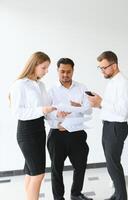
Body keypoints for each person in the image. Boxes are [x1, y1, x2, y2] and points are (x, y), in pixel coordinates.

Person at [9, 51, 56, 200]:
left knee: (31, 172)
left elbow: (46, 108)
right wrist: (42, 110)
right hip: (26, 132)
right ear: (34, 65)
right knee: (38, 174)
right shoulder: (20, 84)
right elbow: (17, 112)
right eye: (44, 67)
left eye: (47, 68)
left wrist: (57, 114)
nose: (46, 71)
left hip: (39, 130)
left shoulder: (40, 85)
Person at [87, 51, 128, 200]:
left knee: (113, 165)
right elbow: (112, 108)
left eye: (104, 67)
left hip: (116, 128)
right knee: (111, 164)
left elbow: (122, 111)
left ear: (114, 65)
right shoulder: (113, 82)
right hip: (108, 126)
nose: (102, 71)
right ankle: (117, 194)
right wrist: (98, 105)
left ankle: (121, 197)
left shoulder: (124, 83)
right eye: (100, 68)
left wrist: (101, 102)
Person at [46, 58, 93, 200]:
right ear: (57, 71)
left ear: (73, 71)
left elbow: (89, 111)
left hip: (77, 134)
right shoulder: (51, 90)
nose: (65, 74)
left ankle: (76, 194)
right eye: (62, 71)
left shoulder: (82, 88)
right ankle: (58, 198)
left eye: (68, 71)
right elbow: (46, 113)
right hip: (57, 135)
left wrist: (79, 106)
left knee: (80, 166)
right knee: (56, 169)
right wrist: (57, 117)